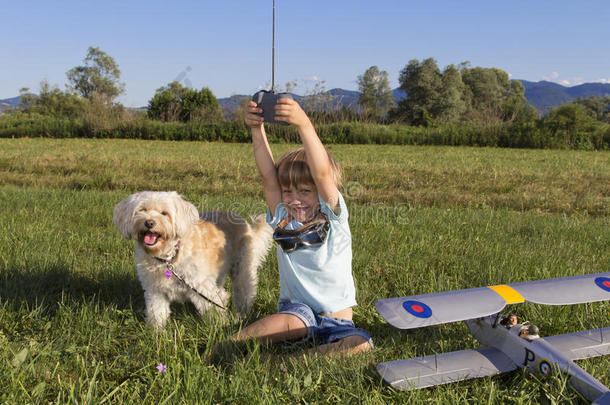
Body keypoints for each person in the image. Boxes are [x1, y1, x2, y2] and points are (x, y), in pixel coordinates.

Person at [234, 96, 373, 356]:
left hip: (338, 323)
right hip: (297, 316)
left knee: (361, 344)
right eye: (287, 191)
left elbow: (321, 174)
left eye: (305, 191)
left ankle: (296, 360)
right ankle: (228, 344)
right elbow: (268, 178)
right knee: (291, 321)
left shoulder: (333, 218)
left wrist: (304, 125)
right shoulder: (283, 218)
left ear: (320, 191)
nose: (294, 199)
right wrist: (256, 129)